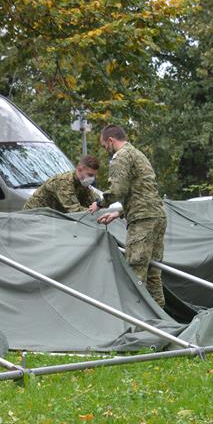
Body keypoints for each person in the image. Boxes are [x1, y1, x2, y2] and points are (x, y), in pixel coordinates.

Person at [89, 125, 167, 308]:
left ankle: (137, 320)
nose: (105, 150)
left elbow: (118, 190)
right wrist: (117, 213)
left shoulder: (121, 157)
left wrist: (100, 203)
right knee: (153, 272)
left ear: (110, 141)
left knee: (135, 270)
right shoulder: (138, 154)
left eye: (104, 145)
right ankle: (161, 319)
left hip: (143, 221)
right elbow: (143, 192)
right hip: (157, 216)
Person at [23, 155, 100, 212]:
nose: (92, 178)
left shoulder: (82, 183)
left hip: (49, 217)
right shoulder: (64, 182)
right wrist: (95, 209)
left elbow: (94, 200)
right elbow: (74, 210)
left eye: (94, 175)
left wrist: (99, 205)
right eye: (90, 175)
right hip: (34, 215)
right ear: (79, 169)